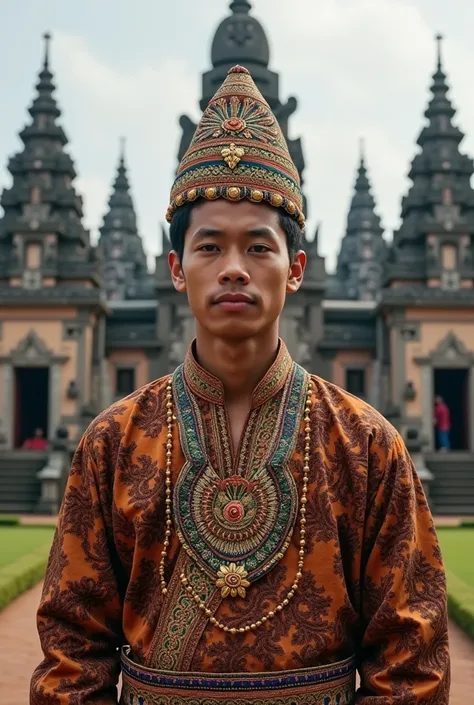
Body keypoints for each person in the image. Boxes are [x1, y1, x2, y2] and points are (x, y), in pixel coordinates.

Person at [31, 66, 450, 704]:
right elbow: (72, 651)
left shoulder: (369, 446)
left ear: (297, 268)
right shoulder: (111, 443)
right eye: (209, 248)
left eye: (259, 247)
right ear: (176, 268)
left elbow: (411, 662)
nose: (233, 269)